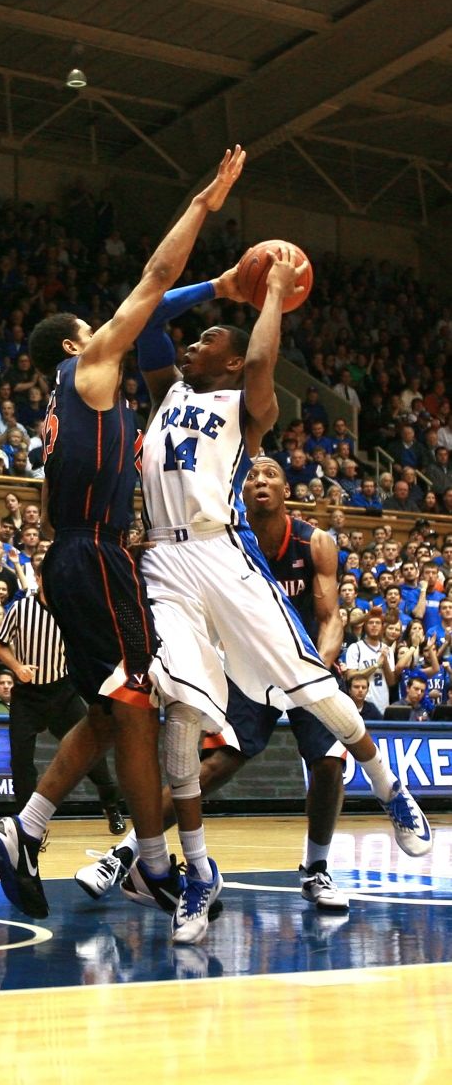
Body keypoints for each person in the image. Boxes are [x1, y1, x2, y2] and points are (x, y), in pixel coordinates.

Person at [128, 246, 431, 943]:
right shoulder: (167, 391)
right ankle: (197, 873)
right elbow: (147, 314)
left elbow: (263, 359)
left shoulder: (247, 405)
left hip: (220, 550)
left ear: (232, 361)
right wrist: (217, 285)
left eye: (208, 338)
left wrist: (271, 294)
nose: (193, 343)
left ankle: (389, 788)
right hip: (163, 561)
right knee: (183, 712)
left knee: (308, 682)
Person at [0, 146, 246, 920]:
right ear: (76, 343)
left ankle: (24, 830)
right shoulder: (90, 366)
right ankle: (154, 865)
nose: (108, 330)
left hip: (74, 551)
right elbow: (155, 284)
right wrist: (201, 208)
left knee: (105, 711)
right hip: (94, 553)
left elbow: (43, 507)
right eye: (93, 328)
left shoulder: (63, 404)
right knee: (135, 703)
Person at [77, 456, 349, 912]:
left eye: (271, 474)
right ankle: (123, 854)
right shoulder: (221, 541)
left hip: (304, 665)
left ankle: (316, 869)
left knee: (328, 764)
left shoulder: (314, 542)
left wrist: (313, 671)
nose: (260, 480)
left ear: (287, 490)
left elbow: (330, 618)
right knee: (213, 766)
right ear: (239, 493)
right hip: (247, 666)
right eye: (252, 475)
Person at [0, 561, 125, 831]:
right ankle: (26, 822)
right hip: (27, 695)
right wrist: (17, 667)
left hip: (63, 691)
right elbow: (0, 645)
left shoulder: (72, 610)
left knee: (89, 749)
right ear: (38, 578)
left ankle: (111, 805)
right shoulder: (20, 608)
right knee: (20, 758)